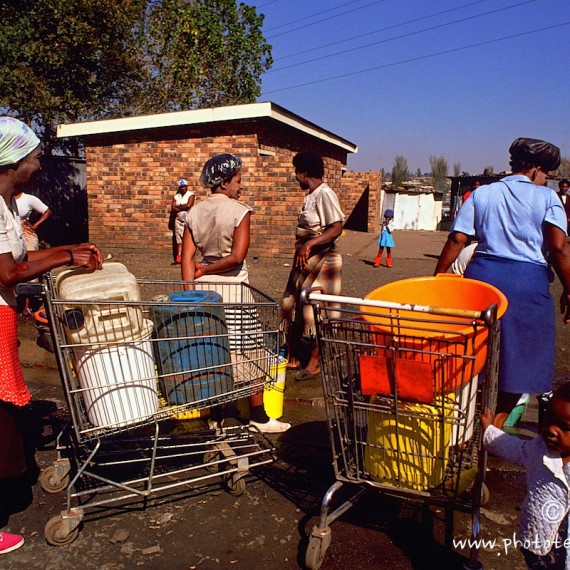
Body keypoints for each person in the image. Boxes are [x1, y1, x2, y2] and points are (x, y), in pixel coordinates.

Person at [0, 116, 103, 554]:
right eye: (35, 156)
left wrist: (64, 253)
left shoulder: (8, 204)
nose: (40, 164)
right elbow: (7, 270)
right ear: (13, 159)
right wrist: (65, 255)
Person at [435, 137, 570, 429]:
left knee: (474, 353)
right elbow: (559, 247)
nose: (546, 180)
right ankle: (495, 423)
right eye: (545, 173)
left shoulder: (483, 194)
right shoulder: (548, 199)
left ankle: (463, 425)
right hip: (527, 283)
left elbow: (457, 239)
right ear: (534, 169)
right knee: (523, 356)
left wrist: (437, 279)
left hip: (482, 280)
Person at [181, 153, 290, 433]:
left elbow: (186, 258)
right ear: (225, 182)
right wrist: (207, 270)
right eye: (238, 181)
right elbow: (237, 256)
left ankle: (217, 414)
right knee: (253, 352)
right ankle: (259, 417)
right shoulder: (240, 212)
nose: (240, 186)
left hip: (205, 293)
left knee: (214, 351)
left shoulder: (194, 212)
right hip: (233, 290)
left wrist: (190, 292)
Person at [481, 382, 570, 568]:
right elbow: (515, 449)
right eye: (548, 418)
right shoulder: (539, 449)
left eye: (564, 427)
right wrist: (490, 431)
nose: (552, 430)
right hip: (536, 535)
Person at [281, 151, 344, 382]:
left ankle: (316, 362)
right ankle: (293, 355)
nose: (295, 176)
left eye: (296, 172)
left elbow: (335, 227)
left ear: (304, 173)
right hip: (307, 260)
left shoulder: (325, 194)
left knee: (318, 311)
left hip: (324, 260)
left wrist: (310, 243)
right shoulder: (311, 195)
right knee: (296, 303)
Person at [170, 179, 195, 264]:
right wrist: (182, 206)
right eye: (182, 187)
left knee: (187, 238)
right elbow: (173, 208)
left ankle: (187, 258)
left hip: (187, 219)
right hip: (178, 220)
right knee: (178, 238)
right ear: (180, 187)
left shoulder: (190, 195)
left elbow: (189, 205)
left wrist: (178, 206)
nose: (183, 188)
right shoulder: (177, 196)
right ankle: (179, 258)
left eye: (185, 186)